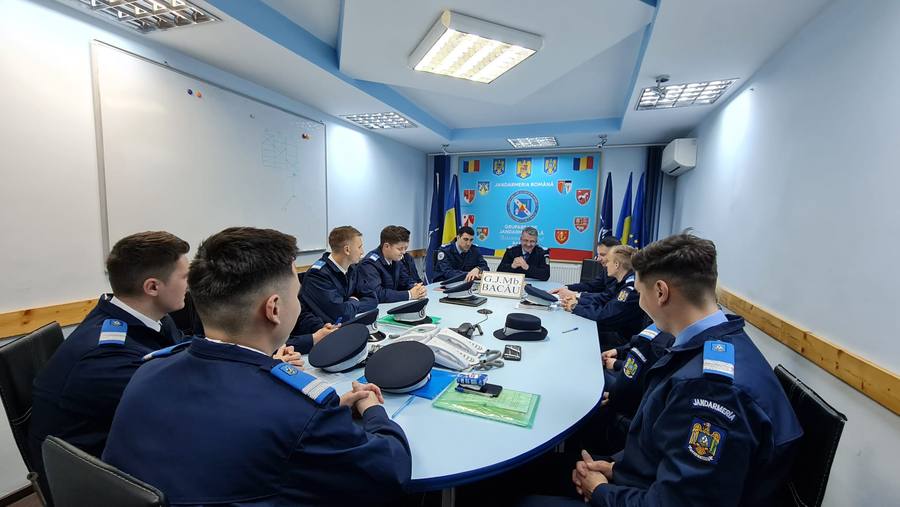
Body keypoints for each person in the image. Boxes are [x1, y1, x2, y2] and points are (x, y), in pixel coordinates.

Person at [103, 227, 411, 505]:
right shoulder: (299, 409)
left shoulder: (148, 371)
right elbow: (390, 470)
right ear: (273, 309)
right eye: (296, 295)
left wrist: (327, 414)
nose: (299, 303)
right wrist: (372, 411)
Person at [527, 233, 803, 506]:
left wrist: (600, 491)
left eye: (639, 293)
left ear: (661, 292)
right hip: (644, 479)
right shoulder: (718, 343)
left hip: (645, 495)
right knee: (536, 472)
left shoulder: (711, 391)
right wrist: (614, 469)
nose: (639, 302)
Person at [28, 231, 189, 484]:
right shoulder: (107, 356)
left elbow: (180, 351)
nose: (190, 284)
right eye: (185, 276)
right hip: (94, 481)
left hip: (120, 444)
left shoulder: (146, 318)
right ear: (152, 287)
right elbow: (178, 408)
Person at [562, 245, 649, 347]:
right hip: (612, 331)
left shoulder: (630, 289)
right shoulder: (621, 283)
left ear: (616, 264)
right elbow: (603, 298)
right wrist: (577, 300)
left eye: (608, 261)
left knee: (576, 339)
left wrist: (575, 307)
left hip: (620, 341)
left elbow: (604, 315)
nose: (606, 265)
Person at [299, 226, 377, 325]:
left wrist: (349, 305)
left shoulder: (352, 268)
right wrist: (354, 301)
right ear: (347, 250)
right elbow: (341, 315)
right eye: (359, 247)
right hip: (323, 330)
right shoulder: (318, 275)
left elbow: (372, 299)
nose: (362, 252)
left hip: (345, 324)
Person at [359, 225, 427, 303]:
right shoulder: (369, 264)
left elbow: (405, 281)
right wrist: (409, 294)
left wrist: (416, 287)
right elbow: (377, 294)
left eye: (405, 248)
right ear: (386, 246)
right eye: (400, 249)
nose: (404, 252)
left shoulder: (396, 259)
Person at [550, 236, 620, 301]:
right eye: (598, 255)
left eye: (603, 255)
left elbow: (607, 297)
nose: (598, 259)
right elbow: (592, 286)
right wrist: (567, 287)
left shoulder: (621, 276)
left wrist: (575, 295)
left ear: (617, 256)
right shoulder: (606, 269)